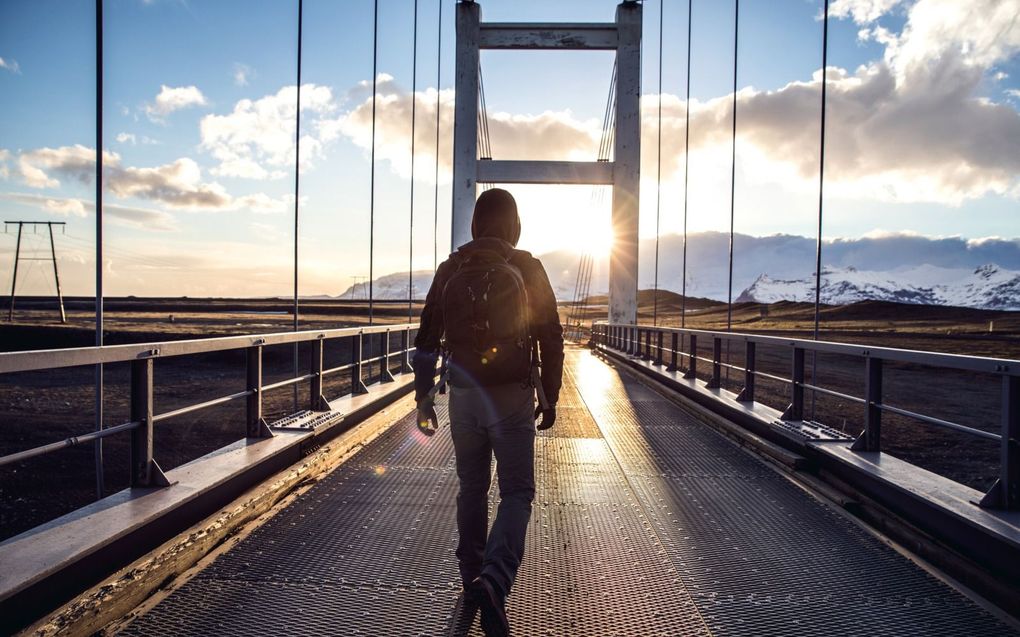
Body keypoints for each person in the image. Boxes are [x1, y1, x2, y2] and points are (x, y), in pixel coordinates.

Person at [413, 188, 563, 637]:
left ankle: (469, 577)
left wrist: (423, 398)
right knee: (516, 493)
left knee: (471, 488)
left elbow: (425, 341)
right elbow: (551, 336)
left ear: (476, 224)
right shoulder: (527, 267)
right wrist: (549, 394)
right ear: (514, 225)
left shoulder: (451, 268)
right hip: (513, 397)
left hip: (463, 396)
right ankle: (494, 582)